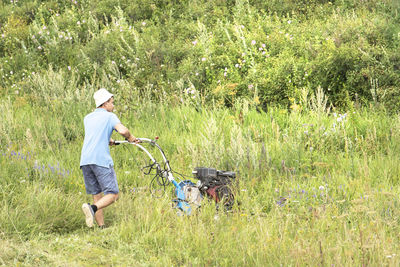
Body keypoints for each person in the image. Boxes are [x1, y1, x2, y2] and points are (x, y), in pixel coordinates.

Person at [80, 88, 139, 228]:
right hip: (100, 160)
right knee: (113, 194)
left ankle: (101, 226)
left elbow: (95, 135)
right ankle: (92, 209)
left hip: (86, 160)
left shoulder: (88, 118)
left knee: (97, 195)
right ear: (105, 103)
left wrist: (110, 140)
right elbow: (123, 131)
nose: (113, 106)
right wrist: (131, 138)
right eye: (112, 103)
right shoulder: (110, 116)